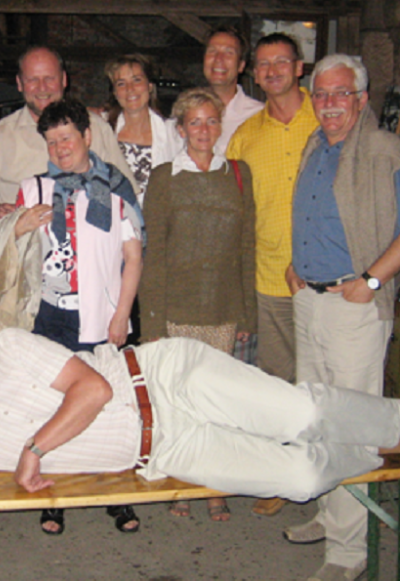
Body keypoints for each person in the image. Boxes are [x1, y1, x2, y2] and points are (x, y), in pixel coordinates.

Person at [0, 328, 400, 517]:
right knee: (298, 480)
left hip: (160, 376)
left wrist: (34, 450)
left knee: (301, 411)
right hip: (163, 450)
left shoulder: (5, 348)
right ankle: (377, 446)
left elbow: (93, 389)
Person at [285, 54, 400, 581]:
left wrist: (370, 282)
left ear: (362, 99)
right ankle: (331, 516)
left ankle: (349, 552)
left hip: (354, 306)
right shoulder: (316, 146)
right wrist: (296, 266)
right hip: (310, 299)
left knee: (351, 428)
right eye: (321, 94)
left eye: (340, 93)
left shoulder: (387, 152)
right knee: (316, 418)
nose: (328, 104)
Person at [6, 99, 143, 535]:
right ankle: (55, 493)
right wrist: (19, 227)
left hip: (101, 314)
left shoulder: (116, 188)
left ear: (86, 136)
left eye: (67, 137)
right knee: (53, 404)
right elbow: (6, 252)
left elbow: (133, 257)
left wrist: (122, 313)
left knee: (111, 402)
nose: (60, 148)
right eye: (51, 141)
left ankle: (114, 492)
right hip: (48, 315)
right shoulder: (34, 189)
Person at [140, 87, 255, 522]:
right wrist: (152, 322)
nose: (203, 129)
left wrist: (246, 313)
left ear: (220, 125)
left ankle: (213, 485)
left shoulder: (238, 174)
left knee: (216, 404)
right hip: (176, 309)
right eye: (194, 122)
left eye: (211, 120)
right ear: (181, 129)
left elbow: (247, 247)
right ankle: (179, 480)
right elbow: (154, 253)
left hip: (222, 309)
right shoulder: (164, 177)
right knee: (178, 402)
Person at [225, 33, 318, 518]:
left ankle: (330, 476)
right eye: (263, 64)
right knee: (280, 384)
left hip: (325, 279)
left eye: (282, 61)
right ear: (254, 74)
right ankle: (286, 474)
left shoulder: (326, 119)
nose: (272, 70)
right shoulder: (246, 135)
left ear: (300, 67)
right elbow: (236, 211)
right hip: (267, 278)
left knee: (325, 381)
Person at [0, 46, 136, 224]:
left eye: (49, 78)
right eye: (32, 79)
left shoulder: (96, 128)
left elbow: (127, 195)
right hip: (24, 239)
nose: (42, 87)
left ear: (64, 80)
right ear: (19, 83)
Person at [102, 53, 183, 203]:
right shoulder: (102, 129)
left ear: (150, 86)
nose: (130, 89)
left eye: (137, 80)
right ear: (115, 92)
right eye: (121, 84)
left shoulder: (173, 133)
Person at [202, 24, 263, 157]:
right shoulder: (185, 115)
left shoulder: (259, 116)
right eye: (212, 51)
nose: (219, 59)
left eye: (229, 53)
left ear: (241, 66)